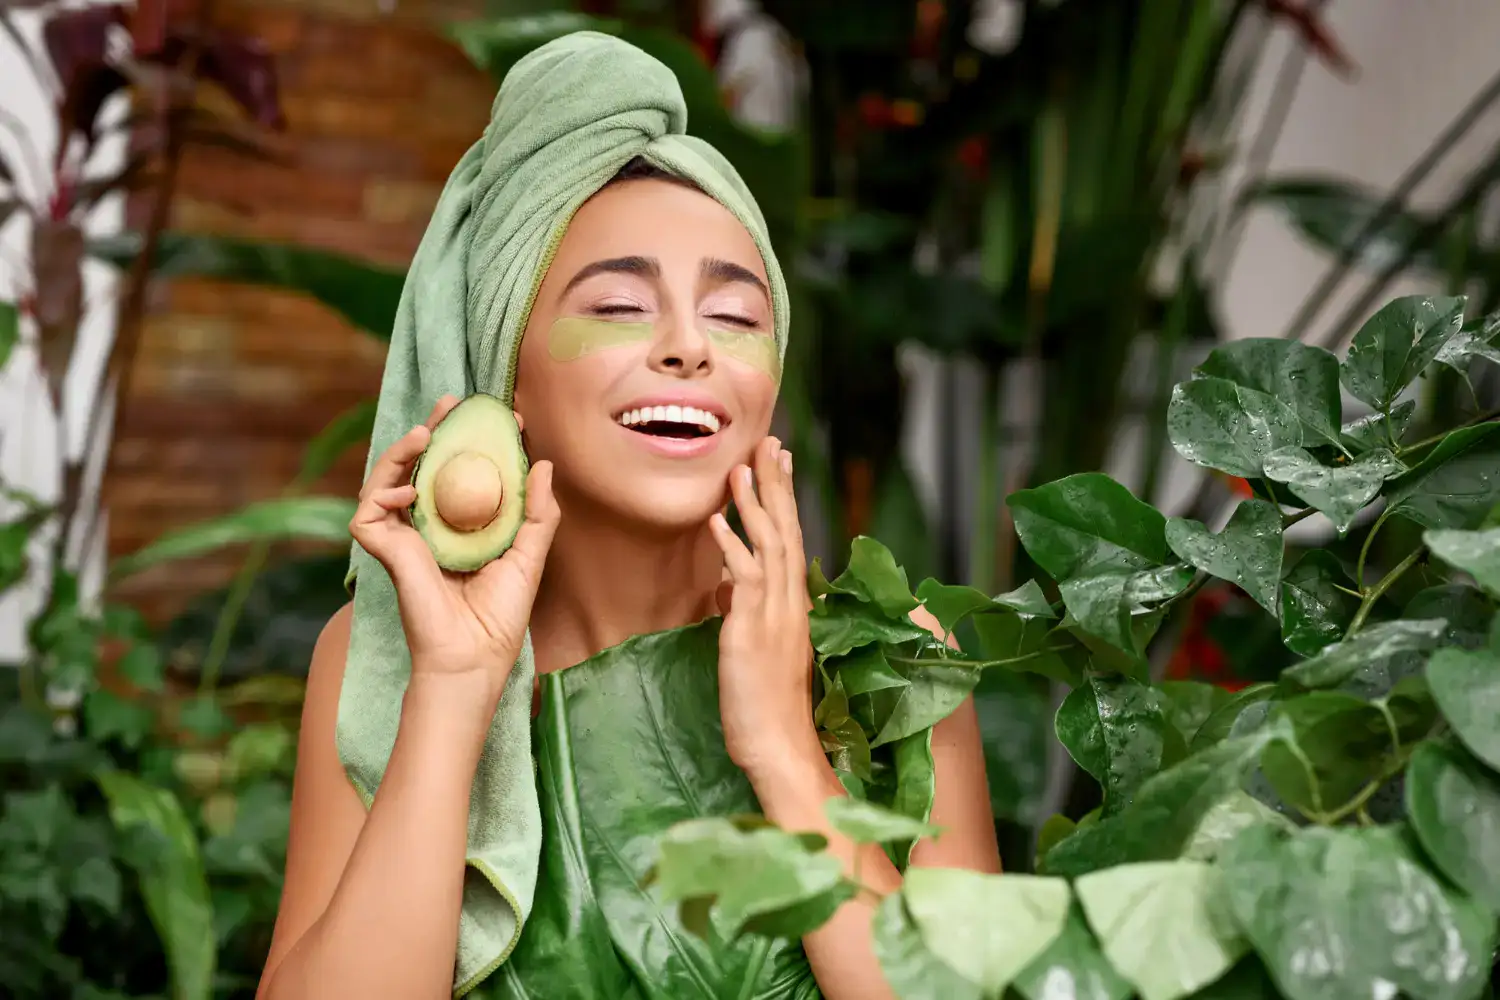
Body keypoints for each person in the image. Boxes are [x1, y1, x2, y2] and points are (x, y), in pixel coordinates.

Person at [255, 31, 999, 1000]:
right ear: (506, 371)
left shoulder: (894, 657)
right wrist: (452, 687)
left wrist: (783, 744)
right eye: (618, 305)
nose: (689, 347)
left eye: (735, 318)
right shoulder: (380, 656)